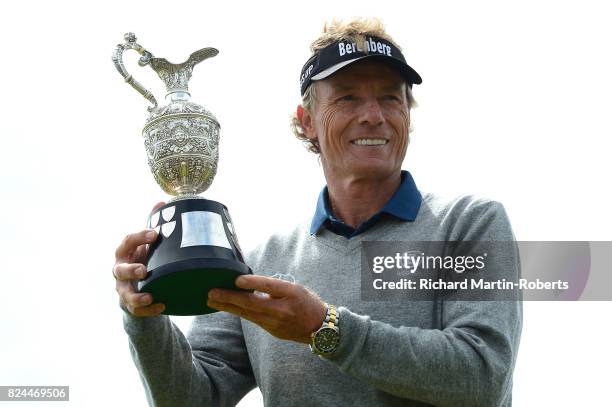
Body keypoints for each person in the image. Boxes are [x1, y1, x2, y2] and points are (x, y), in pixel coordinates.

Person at [113, 18, 522, 407]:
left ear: (407, 116)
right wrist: (144, 314)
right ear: (306, 121)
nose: (374, 115)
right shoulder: (260, 263)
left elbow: (483, 377)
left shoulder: (473, 223)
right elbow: (191, 398)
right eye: (347, 97)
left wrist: (323, 328)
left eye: (390, 98)